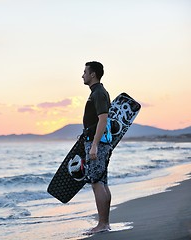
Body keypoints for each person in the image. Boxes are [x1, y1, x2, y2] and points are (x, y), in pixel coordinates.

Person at [82, 61, 112, 234]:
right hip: (100, 142)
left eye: (85, 71)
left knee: (96, 183)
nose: (82, 75)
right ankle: (105, 223)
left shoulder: (99, 92)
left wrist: (93, 145)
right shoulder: (98, 92)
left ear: (93, 74)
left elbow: (103, 118)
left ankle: (102, 224)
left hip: (98, 143)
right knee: (102, 182)